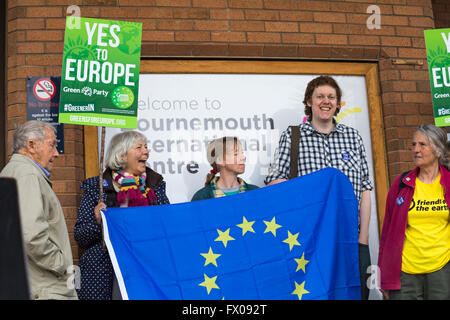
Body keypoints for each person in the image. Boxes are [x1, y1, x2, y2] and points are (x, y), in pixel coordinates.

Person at [265, 75, 373, 300]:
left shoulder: (353, 137)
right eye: (320, 96)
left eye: (331, 97)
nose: (326, 101)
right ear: (308, 102)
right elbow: (275, 180)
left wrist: (362, 240)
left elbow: (365, 189)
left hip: (349, 238)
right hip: (308, 238)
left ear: (338, 103)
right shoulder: (293, 136)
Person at [74, 130, 170, 300]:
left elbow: (166, 225)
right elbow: (81, 236)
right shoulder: (97, 188)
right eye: (139, 147)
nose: (146, 152)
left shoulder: (154, 186)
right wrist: (100, 223)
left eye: (146, 147)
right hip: (103, 274)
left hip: (144, 269)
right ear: (122, 155)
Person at [0, 120, 78, 300]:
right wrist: (62, 265)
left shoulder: (14, 171)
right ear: (31, 145)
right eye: (52, 145)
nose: (57, 153)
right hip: (45, 289)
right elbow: (32, 236)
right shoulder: (28, 174)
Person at [378, 124, 450, 300]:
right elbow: (387, 231)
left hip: (442, 270)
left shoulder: (448, 182)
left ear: (438, 151)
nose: (416, 150)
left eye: (422, 145)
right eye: (413, 144)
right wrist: (384, 275)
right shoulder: (401, 183)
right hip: (405, 272)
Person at [191, 136, 258, 201]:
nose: (243, 157)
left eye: (242, 153)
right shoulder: (201, 198)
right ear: (220, 160)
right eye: (236, 154)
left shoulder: (256, 193)